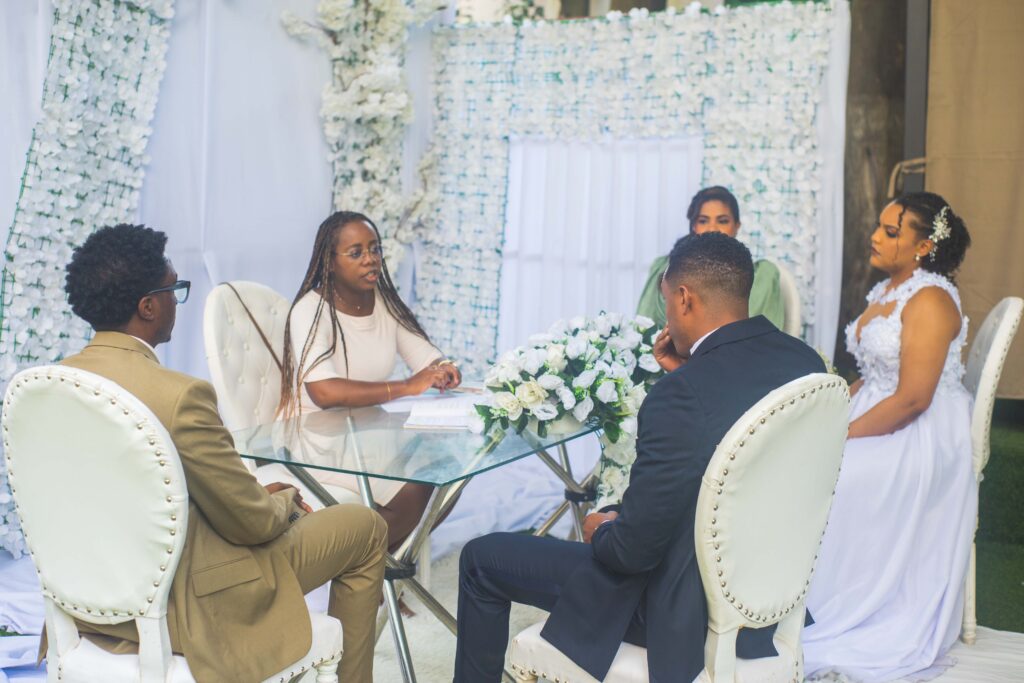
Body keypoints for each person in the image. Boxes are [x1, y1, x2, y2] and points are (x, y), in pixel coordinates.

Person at [454, 232, 826, 682]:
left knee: (481, 559)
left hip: (684, 612)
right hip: (764, 602)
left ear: (684, 298)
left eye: (667, 302)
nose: (667, 315)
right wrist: (690, 371)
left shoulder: (681, 396)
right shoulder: (805, 363)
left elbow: (631, 554)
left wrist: (602, 529)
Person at [60, 224, 387, 683]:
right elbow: (252, 524)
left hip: (90, 597)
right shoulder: (181, 396)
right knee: (366, 527)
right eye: (174, 289)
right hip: (186, 602)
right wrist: (283, 501)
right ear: (148, 306)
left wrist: (254, 496)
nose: (177, 302)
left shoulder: (53, 384)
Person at [802, 192, 976, 681]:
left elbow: (913, 398)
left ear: (924, 246)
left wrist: (842, 436)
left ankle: (840, 605)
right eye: (879, 226)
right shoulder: (889, 288)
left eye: (891, 231)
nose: (875, 237)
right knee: (801, 459)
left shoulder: (931, 300)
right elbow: (873, 372)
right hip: (881, 409)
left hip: (921, 431)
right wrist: (830, 408)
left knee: (836, 475)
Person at [278, 210, 461, 553]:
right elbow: (324, 392)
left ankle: (382, 564)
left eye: (375, 249)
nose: (370, 259)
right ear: (330, 262)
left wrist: (443, 367)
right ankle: (352, 565)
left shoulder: (384, 302)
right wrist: (406, 386)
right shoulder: (310, 310)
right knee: (415, 489)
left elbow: (425, 356)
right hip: (316, 439)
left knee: (450, 472)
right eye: (356, 252)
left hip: (367, 432)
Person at [636, 185, 785, 331]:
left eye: (722, 221)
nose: (712, 228)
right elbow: (643, 330)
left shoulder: (762, 276)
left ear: (737, 226)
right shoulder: (665, 268)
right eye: (703, 221)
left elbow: (762, 336)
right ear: (693, 227)